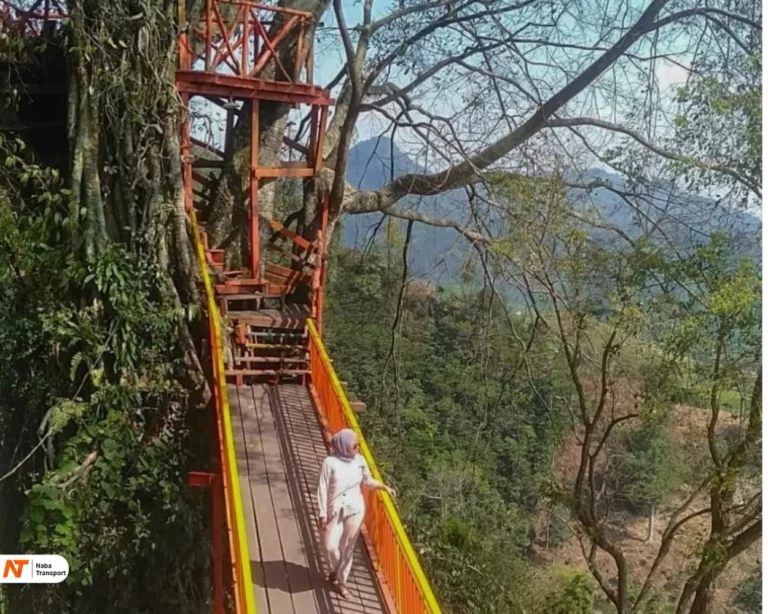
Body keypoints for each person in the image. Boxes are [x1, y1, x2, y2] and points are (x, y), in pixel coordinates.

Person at [316, 428, 396, 599]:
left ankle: (342, 583)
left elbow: (367, 480)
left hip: (356, 508)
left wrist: (384, 487)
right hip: (335, 509)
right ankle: (336, 570)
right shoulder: (330, 463)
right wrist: (322, 512)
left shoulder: (359, 460)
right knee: (330, 545)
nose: (358, 448)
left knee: (347, 548)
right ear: (343, 446)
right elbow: (322, 488)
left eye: (358, 445)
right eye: (355, 445)